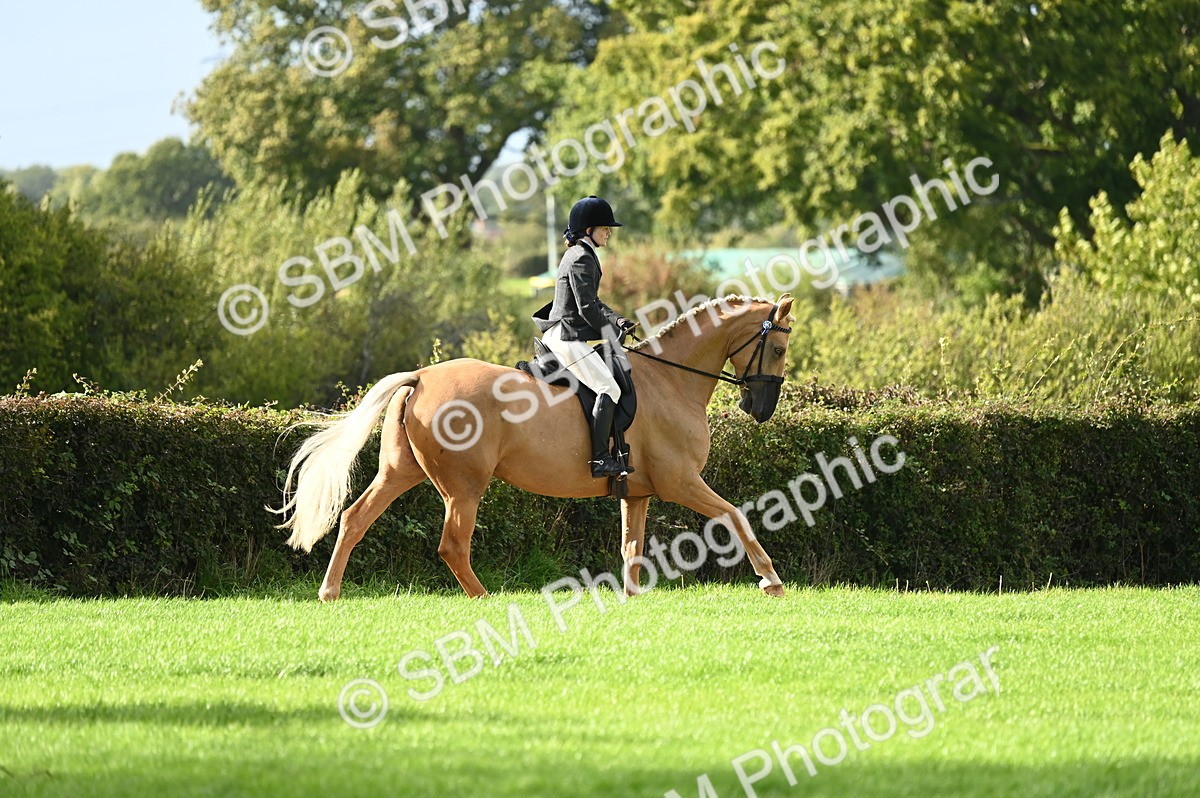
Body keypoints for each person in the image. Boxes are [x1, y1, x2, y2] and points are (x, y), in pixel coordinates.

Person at [533, 196, 637, 478]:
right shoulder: (581, 258)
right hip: (565, 337)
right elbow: (587, 308)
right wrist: (611, 334)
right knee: (609, 388)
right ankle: (600, 459)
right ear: (588, 230)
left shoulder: (582, 254)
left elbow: (594, 301)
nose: (609, 232)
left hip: (567, 334)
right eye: (604, 227)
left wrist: (618, 320)